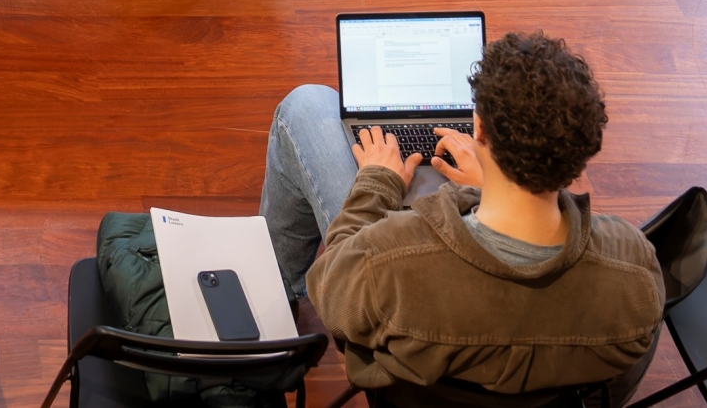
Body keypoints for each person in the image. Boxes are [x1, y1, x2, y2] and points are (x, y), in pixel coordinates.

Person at [261, 32, 665, 398]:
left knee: (306, 106)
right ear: (580, 155)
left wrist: (376, 183)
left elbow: (333, 292)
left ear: (480, 131)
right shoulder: (636, 274)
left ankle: (269, 298)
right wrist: (481, 187)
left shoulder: (386, 265)